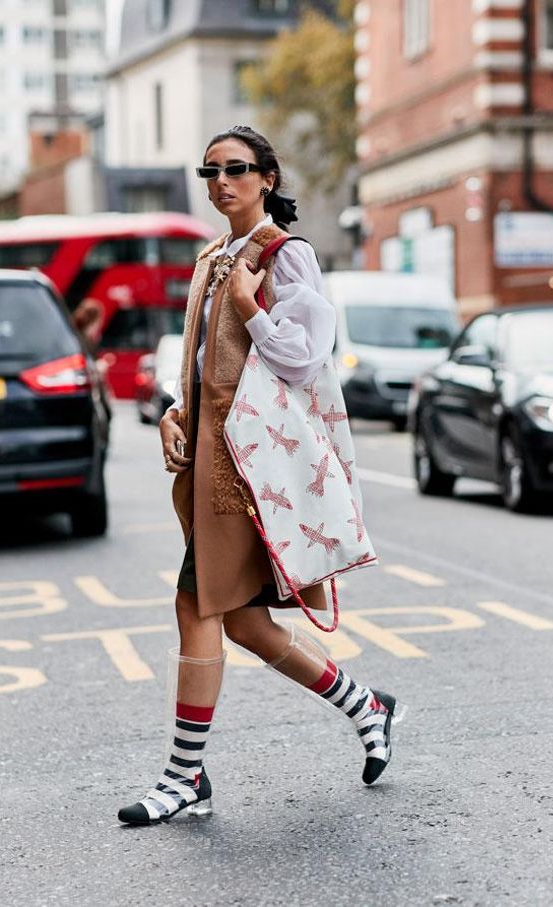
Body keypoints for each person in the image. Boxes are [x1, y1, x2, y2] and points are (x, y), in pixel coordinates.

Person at [118, 125, 404, 826]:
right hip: (212, 456)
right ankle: (366, 704)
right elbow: (203, 363)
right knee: (242, 620)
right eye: (209, 170)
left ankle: (185, 774)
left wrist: (251, 304)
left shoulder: (286, 256)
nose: (221, 182)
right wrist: (175, 413)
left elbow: (306, 360)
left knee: (196, 606)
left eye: (236, 169)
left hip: (248, 469)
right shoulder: (214, 255)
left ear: (267, 178)